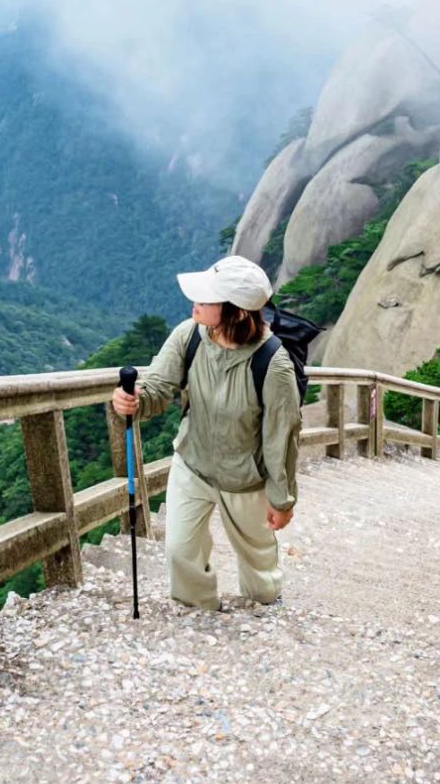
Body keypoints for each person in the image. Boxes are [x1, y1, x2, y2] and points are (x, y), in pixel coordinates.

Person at [111, 254, 301, 610]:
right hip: (193, 463)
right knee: (180, 549)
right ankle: (198, 611)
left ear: (238, 310)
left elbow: (282, 437)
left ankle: (265, 601)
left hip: (245, 478)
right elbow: (157, 386)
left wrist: (282, 499)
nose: (195, 302)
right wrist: (134, 400)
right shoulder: (189, 336)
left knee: (259, 570)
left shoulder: (272, 364)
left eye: (206, 298)